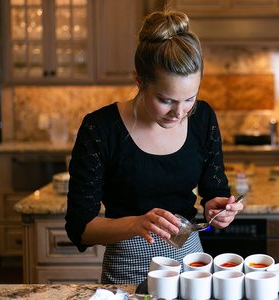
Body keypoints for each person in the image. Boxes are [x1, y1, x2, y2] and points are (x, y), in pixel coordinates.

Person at [65, 9, 244, 284]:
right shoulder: (100, 129)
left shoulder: (203, 118)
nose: (180, 112)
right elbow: (80, 228)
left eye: (189, 99)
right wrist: (137, 224)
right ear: (139, 80)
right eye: (166, 100)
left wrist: (218, 210)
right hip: (127, 271)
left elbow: (214, 192)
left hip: (192, 268)